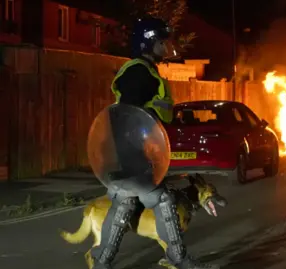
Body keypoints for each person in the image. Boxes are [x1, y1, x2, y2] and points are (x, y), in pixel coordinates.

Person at [90, 17, 219, 269]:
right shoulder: (139, 72)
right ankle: (177, 258)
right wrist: (137, 152)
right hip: (133, 155)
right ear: (148, 43)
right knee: (162, 200)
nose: (166, 46)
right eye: (161, 41)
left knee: (124, 202)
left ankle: (101, 261)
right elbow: (129, 116)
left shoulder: (144, 70)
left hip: (129, 155)